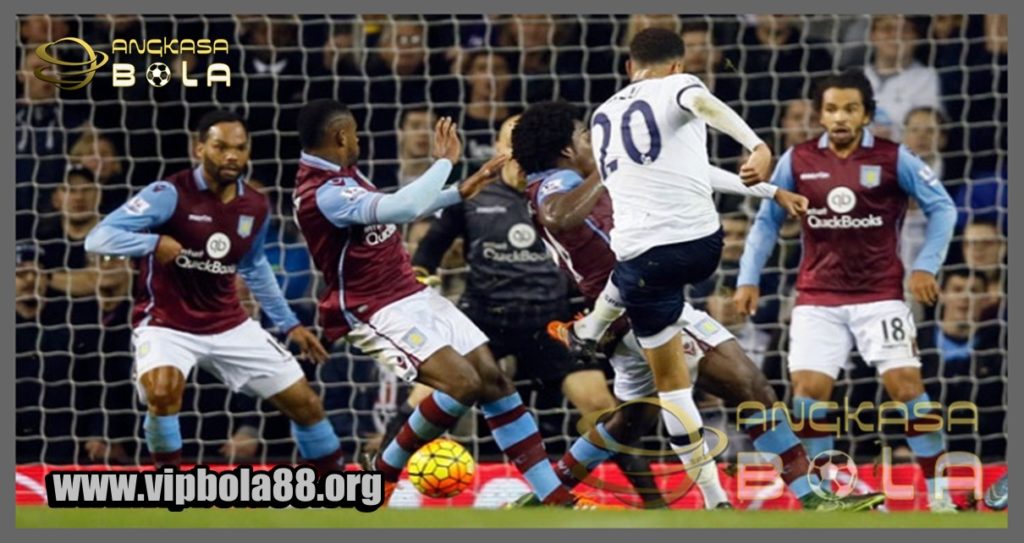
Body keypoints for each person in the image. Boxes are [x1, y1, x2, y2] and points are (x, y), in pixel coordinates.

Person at [513, 100, 879, 511]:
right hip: (643, 305)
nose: (591, 142)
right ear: (565, 150)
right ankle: (810, 496)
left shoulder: (562, 179)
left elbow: (692, 174)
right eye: (583, 136)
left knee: (632, 421)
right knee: (751, 386)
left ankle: (546, 492)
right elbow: (556, 213)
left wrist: (771, 190)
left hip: (619, 314)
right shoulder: (558, 182)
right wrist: (605, 170)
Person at [291, 98, 597, 508]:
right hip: (373, 308)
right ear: (340, 135)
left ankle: (556, 498)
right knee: (463, 384)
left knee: (495, 383)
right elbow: (403, 207)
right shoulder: (321, 192)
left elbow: (389, 211)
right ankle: (381, 472)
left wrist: (458, 192)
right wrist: (444, 164)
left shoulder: (342, 175)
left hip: (410, 292)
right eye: (356, 134)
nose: (360, 140)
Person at [735, 70, 959, 512]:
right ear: (820, 114)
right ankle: (831, 492)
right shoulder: (796, 160)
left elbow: (943, 209)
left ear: (867, 114)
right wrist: (748, 277)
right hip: (818, 298)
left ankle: (941, 492)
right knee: (808, 393)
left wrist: (925, 266)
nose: (840, 117)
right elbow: (766, 223)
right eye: (832, 109)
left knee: (907, 388)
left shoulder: (896, 158)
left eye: (850, 109)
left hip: (881, 296)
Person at [84, 110, 346, 476]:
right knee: (162, 392)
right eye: (221, 147)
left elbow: (255, 268)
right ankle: (169, 481)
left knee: (305, 404)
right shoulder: (167, 194)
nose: (231, 156)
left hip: (228, 324)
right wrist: (152, 241)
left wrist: (290, 325)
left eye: (239, 148)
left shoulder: (255, 205)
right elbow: (97, 238)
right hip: (166, 323)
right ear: (199, 149)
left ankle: (334, 483)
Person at [864, 15, 942, 141]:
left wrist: (892, 137)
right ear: (872, 36)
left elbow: (929, 132)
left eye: (905, 30)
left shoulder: (927, 78)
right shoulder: (852, 77)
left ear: (916, 37)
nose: (896, 35)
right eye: (887, 29)